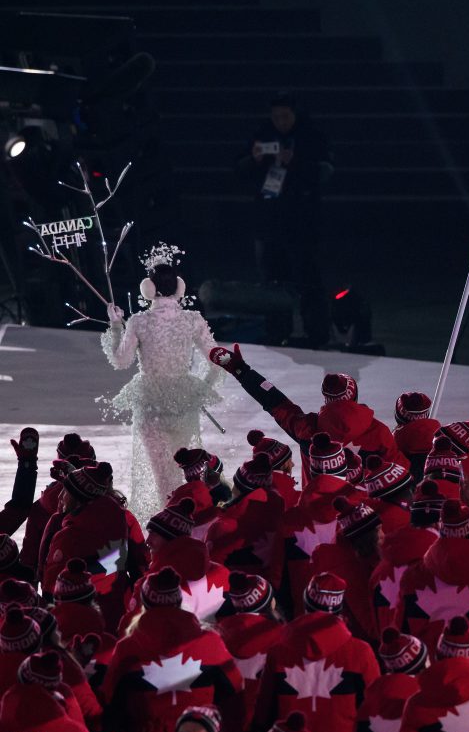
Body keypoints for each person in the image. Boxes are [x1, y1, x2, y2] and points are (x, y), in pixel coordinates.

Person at [100, 245, 222, 522]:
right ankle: (190, 524)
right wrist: (201, 390)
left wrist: (117, 326)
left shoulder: (139, 322)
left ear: (148, 289)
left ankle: (172, 525)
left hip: (150, 404)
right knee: (186, 468)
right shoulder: (192, 319)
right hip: (183, 402)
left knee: (163, 476)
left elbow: (120, 361)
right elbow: (216, 358)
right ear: (180, 288)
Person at [236, 91, 333, 345]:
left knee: (308, 277)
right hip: (269, 221)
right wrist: (254, 160)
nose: (280, 121)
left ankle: (316, 332)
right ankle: (277, 330)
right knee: (272, 280)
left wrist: (297, 162)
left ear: (295, 114)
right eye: (276, 116)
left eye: (285, 116)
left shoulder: (311, 137)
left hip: (302, 221)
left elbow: (324, 172)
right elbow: (238, 170)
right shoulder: (261, 136)